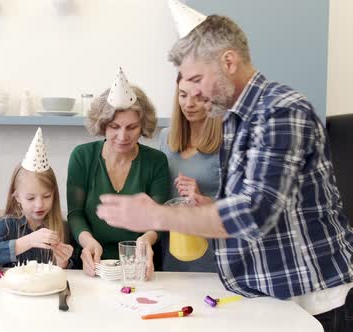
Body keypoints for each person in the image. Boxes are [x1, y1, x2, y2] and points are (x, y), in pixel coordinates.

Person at [97, 13, 353, 330]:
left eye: (196, 79)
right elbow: (258, 203)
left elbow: (253, 214)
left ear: (228, 62)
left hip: (312, 298)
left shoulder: (280, 111)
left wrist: (155, 216)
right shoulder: (234, 121)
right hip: (267, 294)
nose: (195, 96)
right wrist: (211, 206)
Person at [67, 68, 170, 277]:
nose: (123, 136)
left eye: (131, 127)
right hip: (93, 264)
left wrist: (146, 239)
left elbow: (158, 219)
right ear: (103, 125)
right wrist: (88, 242)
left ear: (142, 126)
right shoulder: (82, 157)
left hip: (140, 266)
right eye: (114, 126)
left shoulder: (156, 161)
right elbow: (75, 214)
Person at [0, 128, 74, 270]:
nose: (39, 204)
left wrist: (63, 262)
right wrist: (27, 241)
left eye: (47, 196)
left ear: (54, 194)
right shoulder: (7, 225)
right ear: (17, 197)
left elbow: (70, 273)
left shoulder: (62, 227)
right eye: (30, 198)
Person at [156, 74, 222, 272]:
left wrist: (204, 199)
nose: (189, 104)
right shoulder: (166, 137)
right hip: (172, 251)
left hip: (212, 255)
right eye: (183, 95)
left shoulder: (228, 142)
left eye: (198, 97)